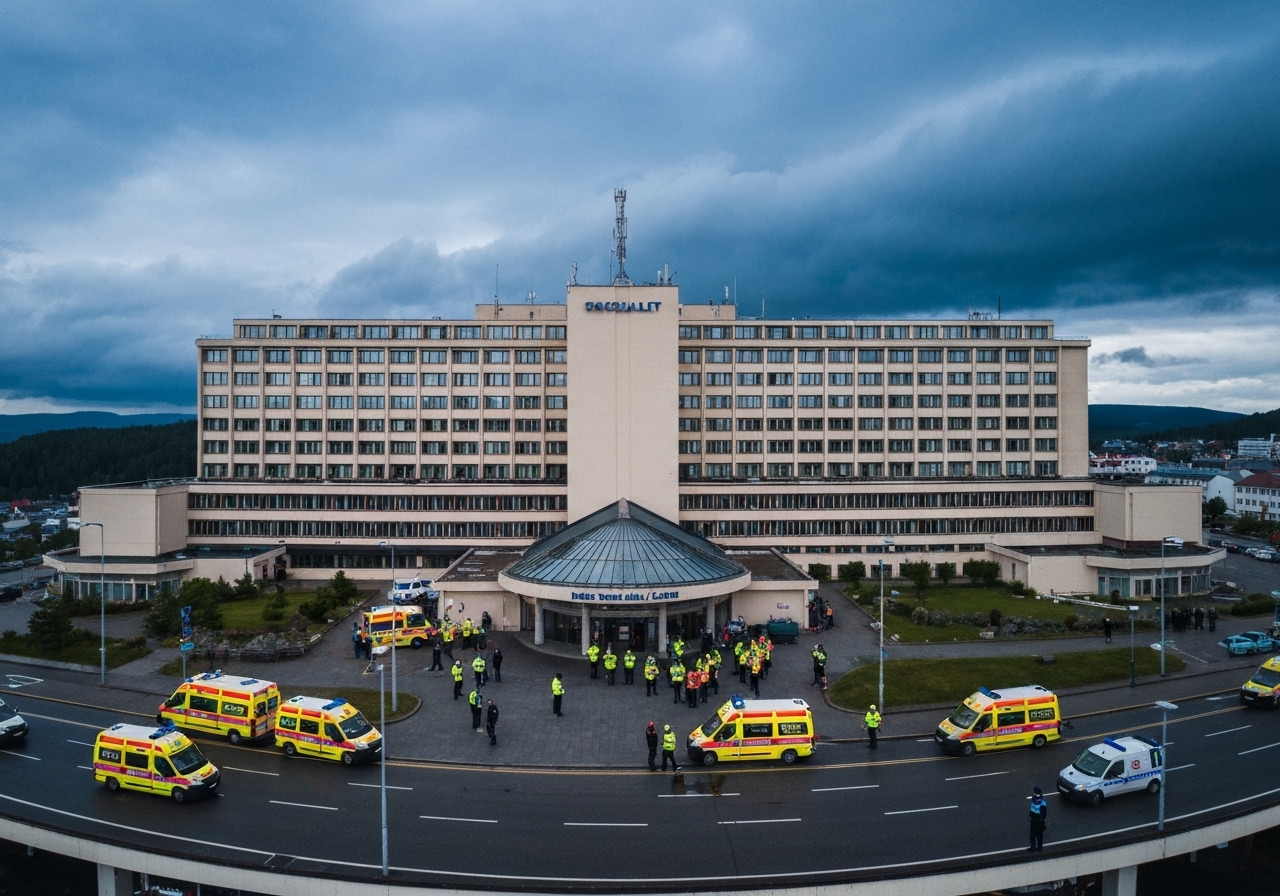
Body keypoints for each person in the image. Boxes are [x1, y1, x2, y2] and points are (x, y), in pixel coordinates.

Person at [1028, 787, 1048, 852]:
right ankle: (1033, 847)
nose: (1036, 794)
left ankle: (1039, 848)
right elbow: (1032, 809)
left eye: (1037, 793)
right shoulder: (1033, 800)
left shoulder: (1042, 803)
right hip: (1034, 819)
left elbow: (1044, 813)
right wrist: (1030, 816)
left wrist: (1042, 820)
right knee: (1032, 835)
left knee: (1038, 835)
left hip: (1039, 820)